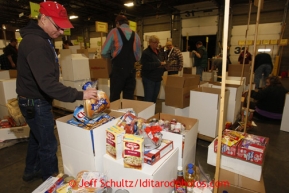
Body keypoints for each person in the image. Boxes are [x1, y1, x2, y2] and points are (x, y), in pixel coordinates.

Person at [16, 1, 98, 182]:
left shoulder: (42, 38)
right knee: (48, 144)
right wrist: (80, 94)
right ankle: (51, 182)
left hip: (31, 100)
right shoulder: (36, 43)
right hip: (35, 102)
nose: (61, 32)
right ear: (43, 19)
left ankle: (31, 170)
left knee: (37, 138)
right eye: (58, 27)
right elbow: (47, 84)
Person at [101, 15, 141, 102]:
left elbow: (104, 52)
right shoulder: (136, 35)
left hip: (118, 70)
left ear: (117, 23)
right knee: (129, 99)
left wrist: (111, 57)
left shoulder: (114, 31)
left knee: (115, 98)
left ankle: (115, 115)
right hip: (131, 71)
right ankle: (128, 115)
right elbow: (138, 57)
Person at [141, 35, 166, 103]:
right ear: (150, 42)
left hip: (158, 78)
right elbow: (146, 65)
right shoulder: (146, 53)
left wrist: (165, 66)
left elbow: (160, 62)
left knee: (154, 99)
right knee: (149, 99)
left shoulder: (159, 52)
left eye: (158, 43)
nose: (157, 44)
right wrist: (159, 64)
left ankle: (153, 113)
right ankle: (148, 113)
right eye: (155, 42)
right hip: (149, 79)